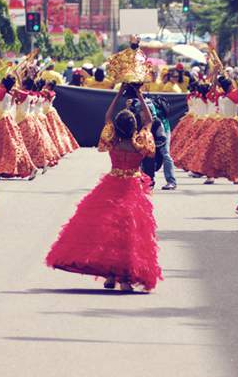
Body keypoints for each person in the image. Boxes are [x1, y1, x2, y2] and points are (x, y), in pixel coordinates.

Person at [46, 84, 162, 292]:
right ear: (134, 127)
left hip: (111, 185)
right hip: (132, 188)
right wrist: (139, 95)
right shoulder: (141, 142)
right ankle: (124, 279)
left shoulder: (113, 140)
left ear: (116, 127)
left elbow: (108, 117)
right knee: (129, 233)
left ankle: (110, 276)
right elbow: (149, 121)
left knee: (107, 231)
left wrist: (119, 93)